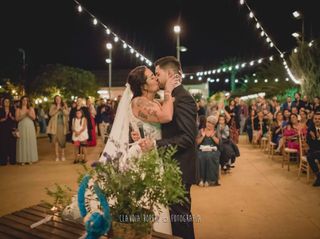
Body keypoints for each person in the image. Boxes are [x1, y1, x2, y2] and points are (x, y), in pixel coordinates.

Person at [140, 56, 197, 239]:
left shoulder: (183, 99)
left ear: (170, 73)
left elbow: (188, 137)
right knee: (174, 218)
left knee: (181, 219)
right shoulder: (172, 97)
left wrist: (156, 145)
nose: (156, 78)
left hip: (179, 167)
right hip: (170, 165)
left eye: (158, 74)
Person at [196, 115, 221, 187]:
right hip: (202, 150)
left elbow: (219, 143)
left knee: (209, 156)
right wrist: (203, 136)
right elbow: (197, 143)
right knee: (200, 156)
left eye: (212, 123)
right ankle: (200, 179)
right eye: (208, 122)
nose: (209, 124)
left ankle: (209, 180)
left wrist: (213, 136)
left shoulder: (216, 132)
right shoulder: (201, 130)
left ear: (214, 125)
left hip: (213, 151)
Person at [15, 96, 38, 165]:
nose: (25, 101)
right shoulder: (18, 109)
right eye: (23, 100)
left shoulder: (31, 108)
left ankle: (30, 159)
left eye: (26, 100)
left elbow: (34, 118)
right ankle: (22, 160)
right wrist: (25, 114)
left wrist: (29, 114)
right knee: (22, 141)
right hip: (22, 126)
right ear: (21, 101)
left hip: (30, 126)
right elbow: (17, 119)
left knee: (30, 141)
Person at [47, 95, 69, 161]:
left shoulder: (64, 105)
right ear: (55, 100)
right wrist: (57, 109)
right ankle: (57, 156)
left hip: (62, 126)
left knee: (62, 141)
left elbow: (67, 113)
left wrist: (62, 109)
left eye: (59, 99)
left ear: (61, 99)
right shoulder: (53, 106)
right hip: (54, 126)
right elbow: (50, 114)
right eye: (56, 99)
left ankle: (63, 155)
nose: (58, 100)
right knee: (55, 141)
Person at [0, 96, 17, 165]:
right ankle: (3, 161)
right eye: (5, 102)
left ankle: (12, 160)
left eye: (8, 102)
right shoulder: (1, 110)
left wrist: (11, 117)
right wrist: (5, 118)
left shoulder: (12, 109)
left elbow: (15, 119)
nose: (7, 103)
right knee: (3, 145)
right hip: (3, 129)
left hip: (11, 128)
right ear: (3, 103)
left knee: (12, 144)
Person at [306, 112, 320, 186]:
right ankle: (318, 175)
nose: (317, 120)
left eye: (319, 119)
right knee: (309, 157)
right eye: (316, 119)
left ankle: (319, 178)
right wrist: (315, 139)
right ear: (313, 119)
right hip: (314, 150)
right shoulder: (310, 129)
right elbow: (308, 142)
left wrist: (318, 138)